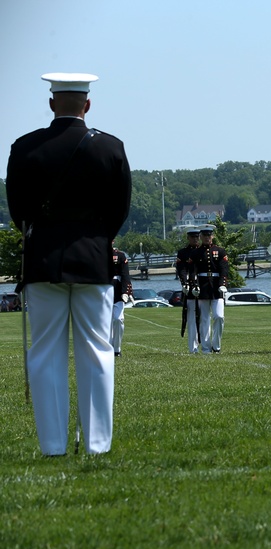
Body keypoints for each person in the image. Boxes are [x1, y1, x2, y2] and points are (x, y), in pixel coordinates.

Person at [7, 72, 131, 456]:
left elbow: (18, 212)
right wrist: (94, 239)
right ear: (87, 105)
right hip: (93, 259)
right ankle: (96, 444)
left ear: (51, 104)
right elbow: (119, 210)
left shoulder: (25, 147)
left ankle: (53, 445)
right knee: (97, 349)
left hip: (43, 260)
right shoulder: (110, 148)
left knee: (45, 351)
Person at [195, 224, 229, 352]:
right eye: (204, 235)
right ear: (201, 236)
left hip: (216, 287)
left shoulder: (220, 251)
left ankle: (216, 345)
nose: (207, 237)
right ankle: (205, 347)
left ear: (212, 236)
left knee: (219, 316)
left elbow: (224, 269)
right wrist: (195, 285)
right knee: (204, 319)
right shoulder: (197, 252)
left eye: (209, 235)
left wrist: (223, 284)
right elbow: (194, 271)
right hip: (203, 287)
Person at [176, 225, 204, 353]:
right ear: (188, 238)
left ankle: (205, 344)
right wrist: (184, 283)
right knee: (192, 319)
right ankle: (193, 347)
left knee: (204, 317)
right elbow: (181, 269)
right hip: (190, 287)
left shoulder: (203, 250)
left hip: (203, 286)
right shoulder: (183, 253)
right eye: (193, 237)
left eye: (197, 237)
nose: (195, 239)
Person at [110, 245, 132, 356]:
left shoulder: (120, 255)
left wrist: (126, 292)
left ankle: (116, 348)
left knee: (118, 319)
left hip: (117, 291)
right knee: (105, 322)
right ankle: (108, 347)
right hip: (102, 290)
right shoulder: (98, 254)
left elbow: (125, 275)